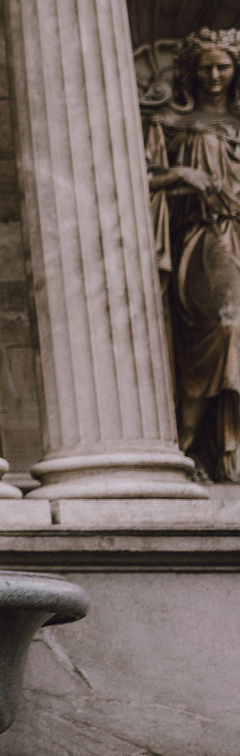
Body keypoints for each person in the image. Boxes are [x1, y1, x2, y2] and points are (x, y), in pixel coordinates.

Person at [145, 28, 240, 480]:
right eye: (207, 66)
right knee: (224, 327)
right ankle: (186, 443)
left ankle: (224, 453)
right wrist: (184, 172)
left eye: (224, 66)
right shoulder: (170, 123)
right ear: (191, 71)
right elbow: (136, 176)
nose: (216, 75)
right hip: (205, 238)